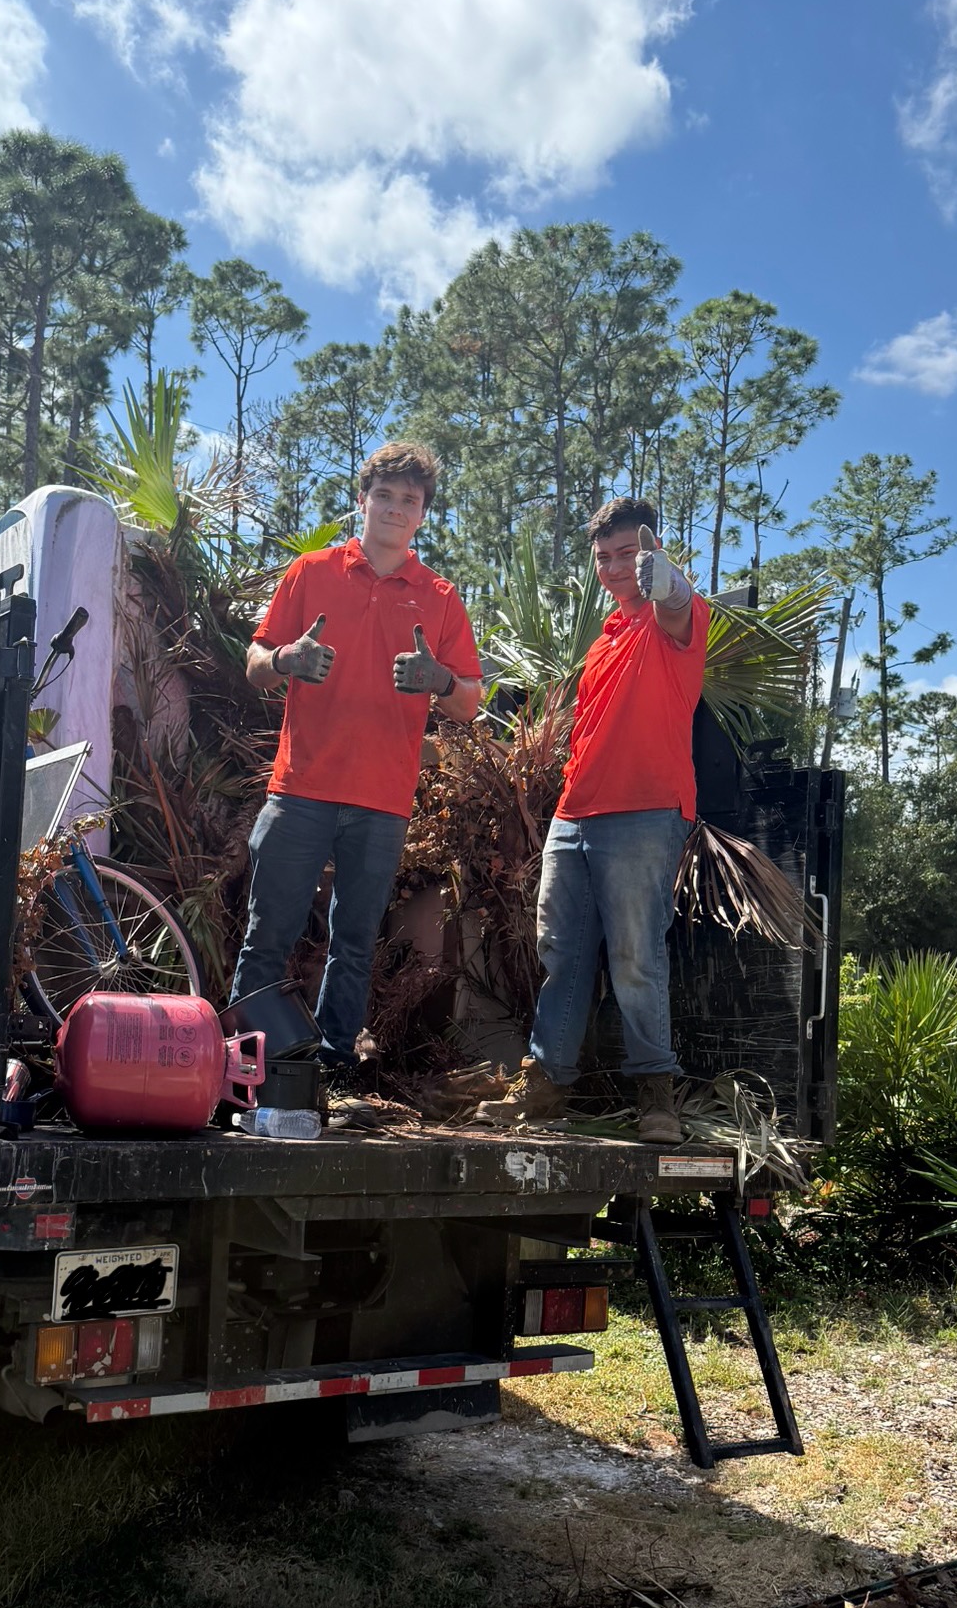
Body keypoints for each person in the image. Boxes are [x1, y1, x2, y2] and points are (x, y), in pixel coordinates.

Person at [231, 441, 482, 1078]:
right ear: (362, 499)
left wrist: (440, 680)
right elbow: (255, 663)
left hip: (382, 800)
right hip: (302, 788)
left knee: (354, 945)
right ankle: (249, 1073)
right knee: (268, 938)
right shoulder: (311, 571)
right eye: (386, 495)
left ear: (423, 514)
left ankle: (336, 1071)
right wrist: (286, 659)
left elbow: (472, 704)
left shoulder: (441, 597)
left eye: (411, 500)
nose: (396, 509)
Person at [479, 497, 708, 1143]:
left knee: (636, 955)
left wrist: (662, 574)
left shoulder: (673, 620)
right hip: (573, 816)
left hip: (644, 813)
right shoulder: (603, 641)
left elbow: (675, 600)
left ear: (653, 550)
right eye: (602, 557)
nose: (612, 568)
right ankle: (545, 1085)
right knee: (562, 954)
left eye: (626, 554)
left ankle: (654, 1098)